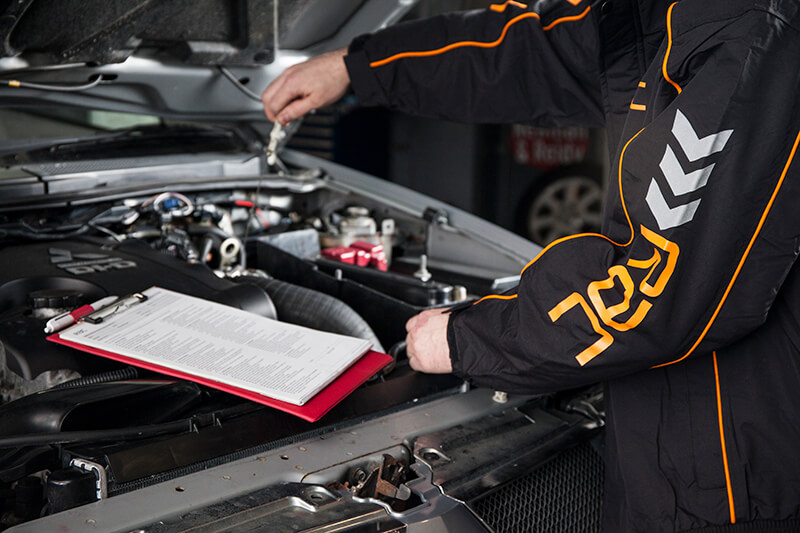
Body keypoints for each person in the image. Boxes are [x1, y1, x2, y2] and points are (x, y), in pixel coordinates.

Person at [263, 0, 800, 531]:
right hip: (686, 450)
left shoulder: (751, 33)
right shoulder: (648, 12)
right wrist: (357, 66)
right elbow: (528, 51)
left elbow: (653, 296)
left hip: (742, 479)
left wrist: (469, 338)